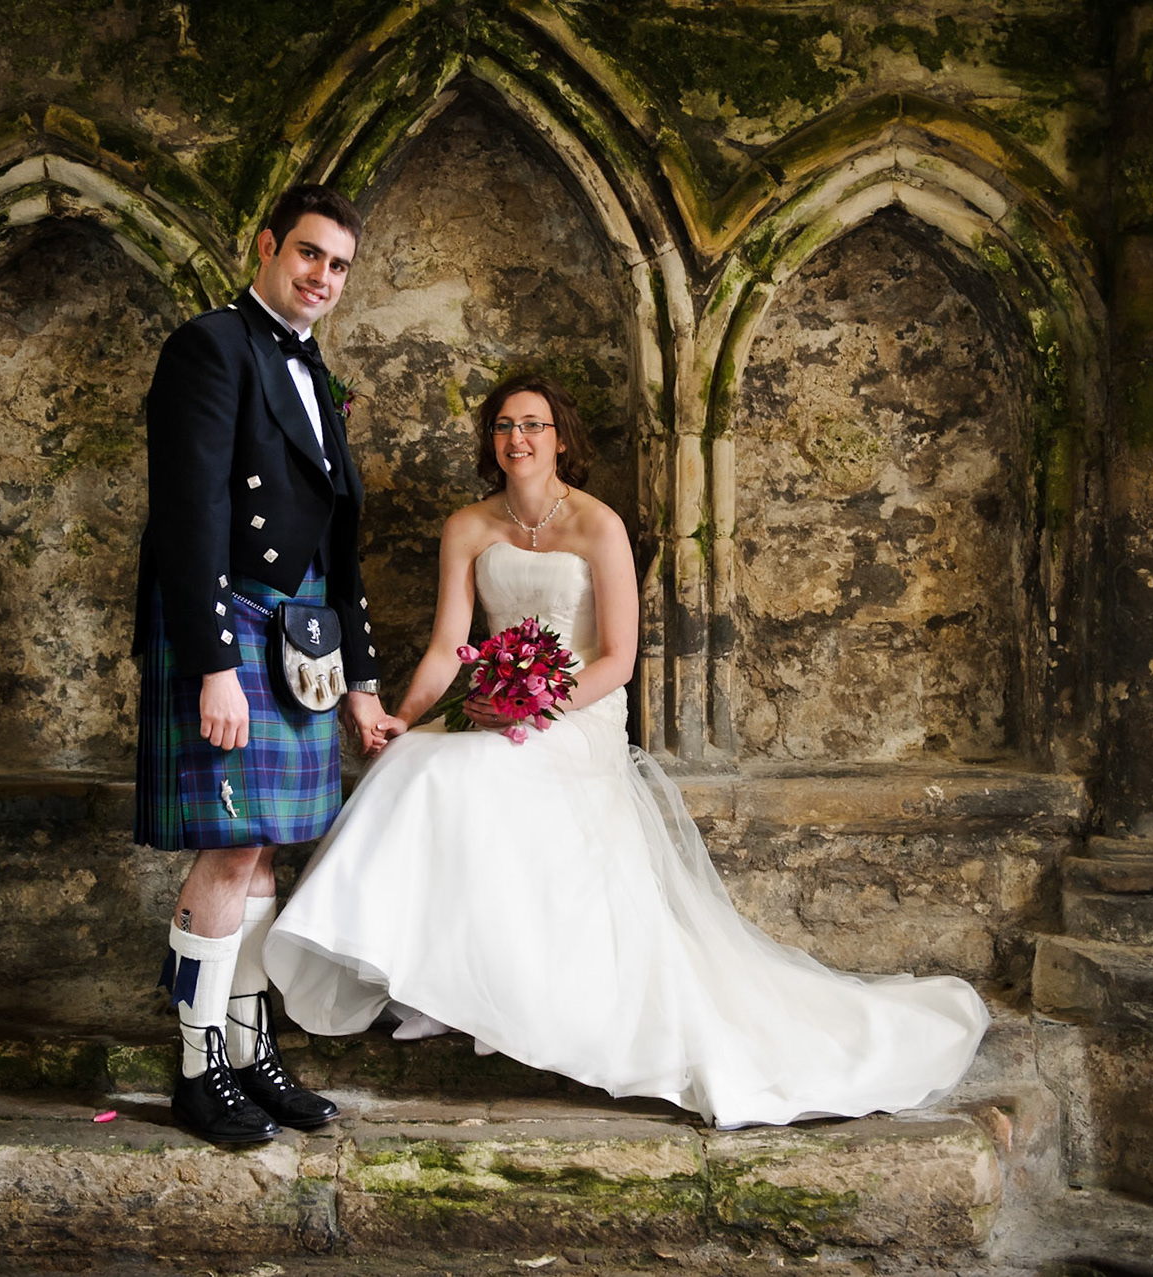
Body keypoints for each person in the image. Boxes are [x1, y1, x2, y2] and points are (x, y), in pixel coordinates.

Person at [263, 372, 990, 1129]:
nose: (517, 438)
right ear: (491, 441)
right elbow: (451, 644)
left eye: (533, 425)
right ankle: (436, 984)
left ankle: (481, 988)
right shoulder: (468, 526)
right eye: (504, 425)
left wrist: (541, 699)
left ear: (561, 438)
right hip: (493, 702)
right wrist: (408, 718)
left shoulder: (598, 524)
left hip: (578, 708)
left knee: (473, 771)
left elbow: (617, 657)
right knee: (416, 765)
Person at [135, 183, 385, 1144]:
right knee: (231, 848)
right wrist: (212, 664)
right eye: (311, 254)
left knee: (267, 849)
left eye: (340, 265)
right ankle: (197, 1072)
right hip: (233, 624)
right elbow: (191, 510)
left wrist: (360, 679)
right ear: (268, 243)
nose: (324, 276)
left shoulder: (315, 372)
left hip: (300, 631)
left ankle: (247, 1049)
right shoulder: (212, 345)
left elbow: (340, 543)